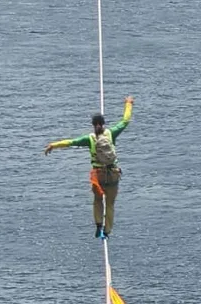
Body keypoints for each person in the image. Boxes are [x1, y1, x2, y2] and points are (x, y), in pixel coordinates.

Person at [45, 96, 134, 239]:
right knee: (110, 204)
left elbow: (71, 142)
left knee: (98, 200)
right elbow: (125, 121)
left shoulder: (90, 139)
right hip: (112, 174)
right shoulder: (111, 133)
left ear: (93, 125)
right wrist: (128, 103)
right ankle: (107, 231)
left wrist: (53, 145)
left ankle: (98, 226)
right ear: (104, 124)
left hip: (98, 176)